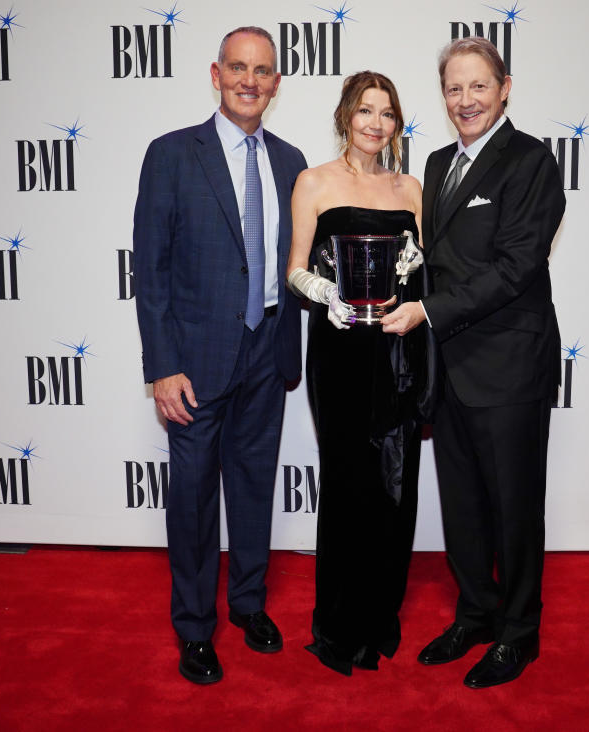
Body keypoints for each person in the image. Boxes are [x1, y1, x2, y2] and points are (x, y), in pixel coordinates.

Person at [382, 37, 565, 688]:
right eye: (454, 89)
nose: (466, 100)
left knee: (513, 507)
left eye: (478, 86)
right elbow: (431, 259)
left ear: (505, 87)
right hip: (449, 369)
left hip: (509, 366)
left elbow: (516, 268)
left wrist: (428, 312)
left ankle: (519, 633)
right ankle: (476, 614)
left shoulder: (531, 161)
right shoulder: (435, 164)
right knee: (461, 506)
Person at [133, 26, 307, 685]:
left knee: (256, 486)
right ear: (216, 73)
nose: (250, 81)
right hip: (195, 361)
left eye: (263, 71)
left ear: (276, 83)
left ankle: (250, 606)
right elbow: (149, 271)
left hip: (268, 349)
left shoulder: (291, 161)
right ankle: (196, 631)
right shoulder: (173, 154)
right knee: (196, 499)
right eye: (239, 67)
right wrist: (161, 366)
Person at [286, 71, 431, 675]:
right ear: (346, 114)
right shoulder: (313, 182)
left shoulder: (413, 188)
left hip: (399, 350)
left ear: (398, 124)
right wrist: (327, 295)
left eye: (388, 113)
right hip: (341, 350)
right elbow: (294, 269)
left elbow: (427, 273)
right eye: (365, 110)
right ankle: (341, 622)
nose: (376, 122)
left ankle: (381, 613)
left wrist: (415, 274)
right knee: (348, 481)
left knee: (396, 482)